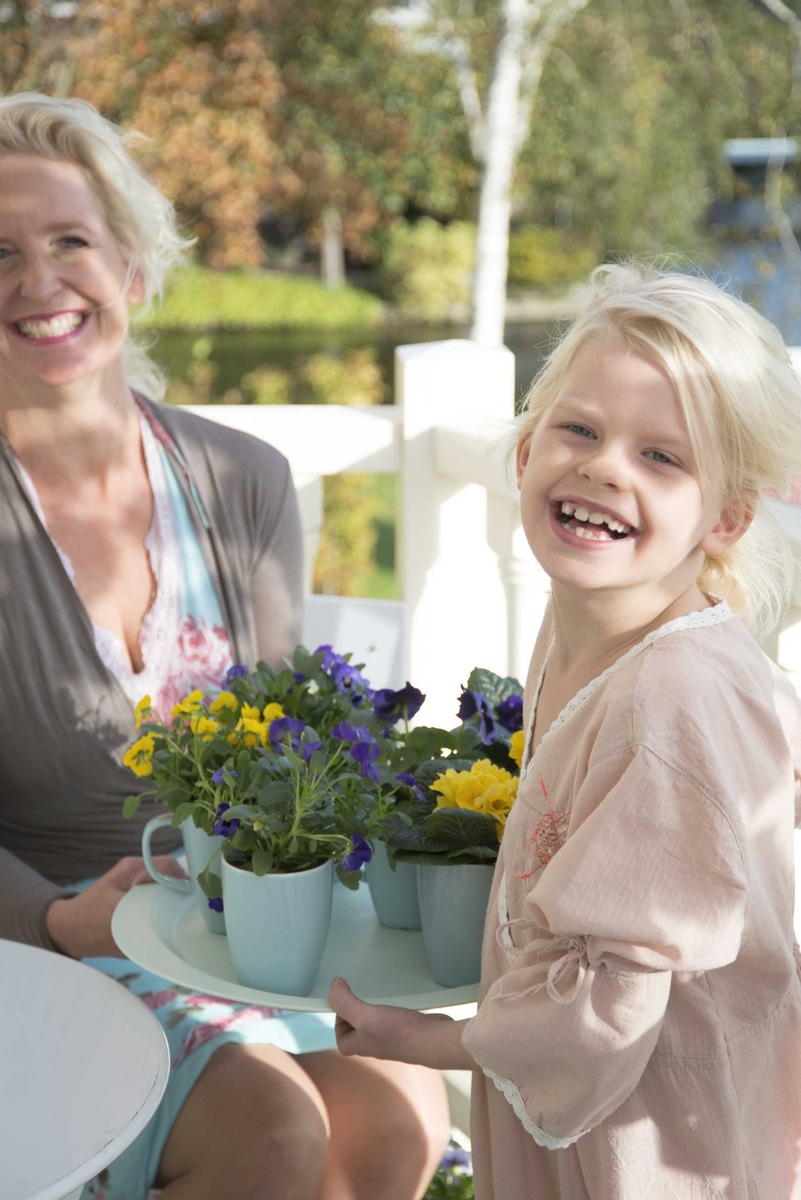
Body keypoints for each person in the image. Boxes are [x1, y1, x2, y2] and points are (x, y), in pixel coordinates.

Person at [0, 91, 450, 1200]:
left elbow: (299, 752)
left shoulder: (241, 480)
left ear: (133, 270)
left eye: (71, 242)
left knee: (401, 1111)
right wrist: (60, 919)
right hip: (35, 943)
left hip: (227, 928)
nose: (39, 281)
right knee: (271, 1132)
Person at [329, 262, 801, 1199]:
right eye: (578, 429)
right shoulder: (594, 622)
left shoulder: (672, 698)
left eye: (661, 457)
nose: (603, 466)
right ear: (523, 450)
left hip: (650, 1140)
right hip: (601, 1110)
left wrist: (431, 1040)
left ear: (728, 516)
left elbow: (611, 1006)